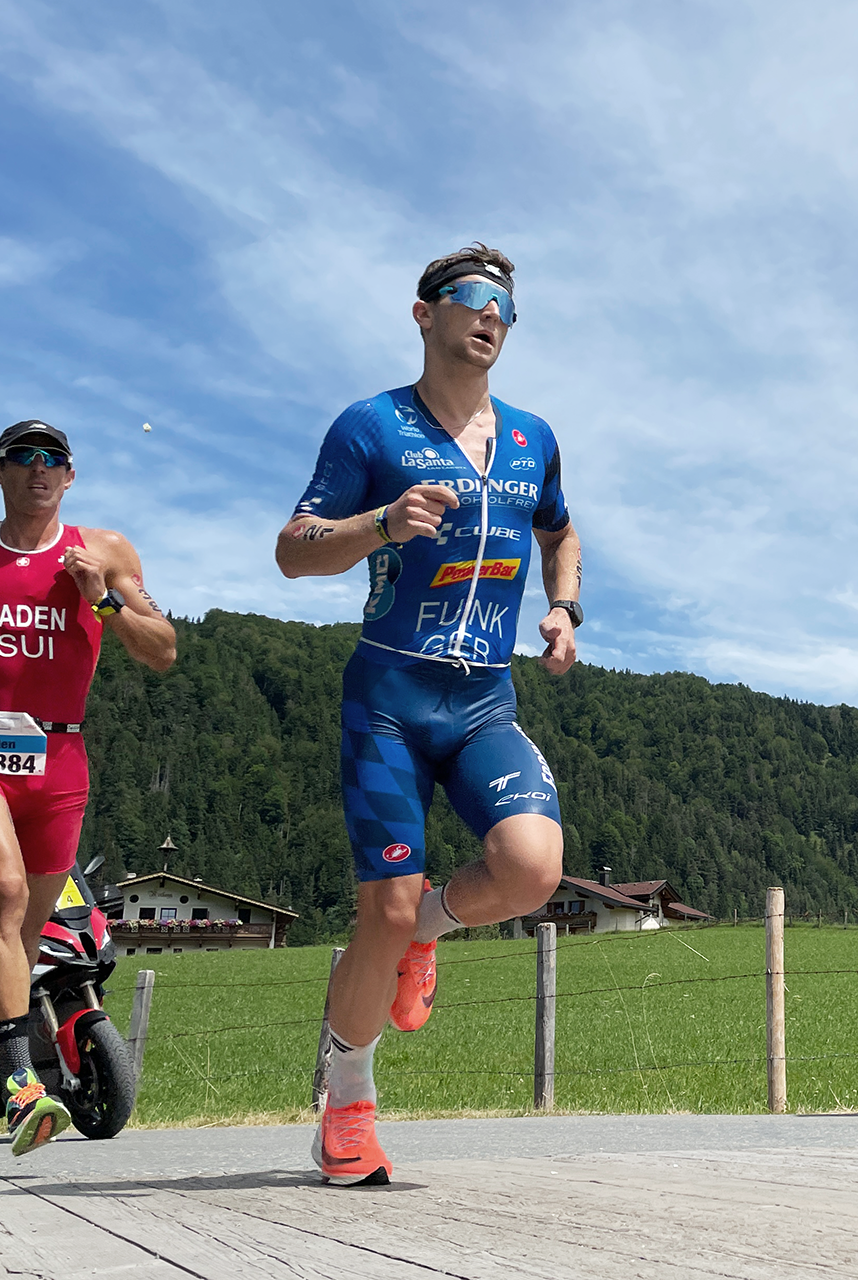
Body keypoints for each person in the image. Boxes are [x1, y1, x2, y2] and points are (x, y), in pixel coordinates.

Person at [276, 244, 581, 1186]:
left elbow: (558, 527)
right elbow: (294, 549)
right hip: (391, 698)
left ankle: (428, 934)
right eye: (475, 301)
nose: (492, 318)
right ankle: (350, 1099)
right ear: (425, 314)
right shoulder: (371, 427)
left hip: (484, 693)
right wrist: (381, 524)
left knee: (534, 869)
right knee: (384, 904)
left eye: (508, 310)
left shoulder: (532, 435)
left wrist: (565, 608)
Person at [0, 420, 176, 1156]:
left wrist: (101, 600)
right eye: (24, 458)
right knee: (4, 892)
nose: (39, 470)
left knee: (22, 933)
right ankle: (21, 1088)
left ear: (70, 478)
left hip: (59, 755)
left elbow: (163, 651)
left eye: (54, 460)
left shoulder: (105, 551)